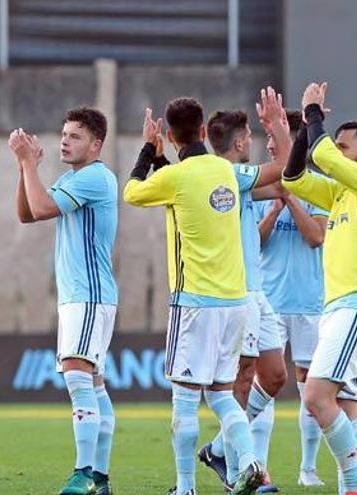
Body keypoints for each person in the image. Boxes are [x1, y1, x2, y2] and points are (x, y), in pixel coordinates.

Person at [124, 97, 264, 495]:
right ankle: (250, 462)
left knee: (185, 401)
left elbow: (133, 192)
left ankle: (185, 488)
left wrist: (148, 152)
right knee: (221, 395)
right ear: (204, 131)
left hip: (195, 304)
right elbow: (188, 182)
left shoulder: (176, 178)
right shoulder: (226, 170)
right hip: (235, 301)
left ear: (171, 135)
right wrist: (165, 158)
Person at [281, 82, 357, 495]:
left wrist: (313, 113)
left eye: (345, 147)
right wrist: (302, 132)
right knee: (345, 406)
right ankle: (352, 486)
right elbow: (293, 178)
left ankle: (353, 487)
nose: (336, 152)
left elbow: (322, 154)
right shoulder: (344, 192)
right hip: (340, 307)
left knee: (315, 397)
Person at [10, 107, 118, 495]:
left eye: (75, 135)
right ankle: (100, 478)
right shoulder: (78, 179)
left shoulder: (93, 177)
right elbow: (26, 214)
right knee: (94, 384)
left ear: (96, 144)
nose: (65, 141)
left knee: (77, 376)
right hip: (85, 296)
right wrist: (27, 169)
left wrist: (28, 165)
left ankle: (83, 472)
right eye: (64, 134)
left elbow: (39, 208)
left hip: (88, 295)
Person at [197, 88, 292, 494]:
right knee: (243, 375)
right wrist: (279, 128)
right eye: (251, 135)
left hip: (258, 292)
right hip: (237, 292)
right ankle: (240, 473)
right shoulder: (227, 175)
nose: (253, 140)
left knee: (273, 375)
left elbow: (283, 183)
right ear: (239, 142)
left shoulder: (238, 181)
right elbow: (284, 169)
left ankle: (220, 448)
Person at [255, 110, 329, 487]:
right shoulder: (260, 185)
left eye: (278, 144)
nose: (272, 151)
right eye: (269, 145)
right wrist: (274, 206)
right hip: (268, 301)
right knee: (263, 381)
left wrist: (292, 199)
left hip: (308, 300)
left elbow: (316, 237)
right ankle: (259, 468)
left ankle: (308, 468)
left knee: (308, 384)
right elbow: (255, 241)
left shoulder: (317, 185)